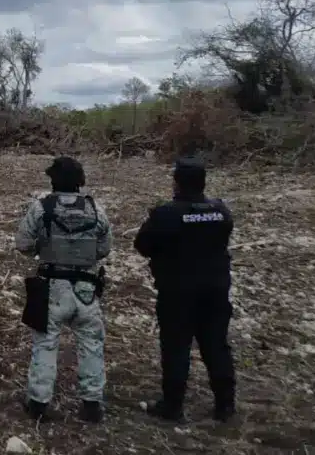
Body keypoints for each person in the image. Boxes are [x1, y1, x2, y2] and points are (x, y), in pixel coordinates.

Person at [134, 156, 236, 422]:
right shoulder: (221, 210)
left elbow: (143, 245)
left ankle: (172, 404)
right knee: (216, 345)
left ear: (177, 183)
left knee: (176, 347)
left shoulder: (166, 213)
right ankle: (225, 404)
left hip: (177, 290)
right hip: (216, 288)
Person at [13, 156, 112, 423]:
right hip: (86, 289)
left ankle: (38, 403)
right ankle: (92, 404)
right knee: (91, 344)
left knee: (45, 345)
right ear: (80, 182)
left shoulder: (41, 207)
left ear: (53, 180)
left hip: (51, 289)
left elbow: (22, 243)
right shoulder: (95, 208)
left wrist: (41, 250)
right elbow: (104, 248)